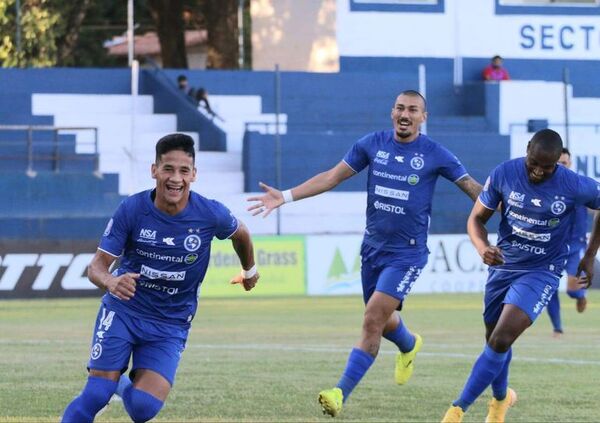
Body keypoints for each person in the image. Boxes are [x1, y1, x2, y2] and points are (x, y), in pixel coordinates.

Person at [247, 90, 483, 417]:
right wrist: (284, 197)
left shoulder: (435, 153)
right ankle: (409, 344)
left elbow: (471, 186)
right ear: (392, 112)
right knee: (383, 322)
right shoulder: (372, 144)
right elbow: (331, 177)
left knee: (372, 318)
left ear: (423, 117)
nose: (405, 114)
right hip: (372, 249)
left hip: (407, 254)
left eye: (413, 110)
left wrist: (504, 209)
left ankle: (339, 392)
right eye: (400, 108)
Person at [61, 133, 259, 423]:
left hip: (171, 322)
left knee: (143, 408)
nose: (175, 178)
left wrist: (249, 271)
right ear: (154, 170)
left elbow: (240, 233)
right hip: (124, 311)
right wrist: (111, 282)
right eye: (168, 169)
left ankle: (120, 382)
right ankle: (108, 382)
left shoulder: (209, 213)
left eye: (183, 170)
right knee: (96, 393)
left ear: (194, 174)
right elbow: (97, 266)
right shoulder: (132, 209)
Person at [441, 129, 600, 423]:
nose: (539, 171)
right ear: (527, 150)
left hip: (542, 270)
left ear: (557, 164)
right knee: (494, 340)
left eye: (547, 167)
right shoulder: (504, 173)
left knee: (501, 339)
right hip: (503, 267)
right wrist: (482, 247)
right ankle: (501, 401)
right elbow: (476, 219)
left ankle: (457, 410)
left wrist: (590, 256)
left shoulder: (572, 183)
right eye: (534, 164)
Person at [546, 148, 589, 338]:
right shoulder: (546, 187)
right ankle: (557, 328)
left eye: (565, 162)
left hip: (576, 246)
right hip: (552, 246)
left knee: (572, 290)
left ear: (570, 163)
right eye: (559, 163)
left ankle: (580, 296)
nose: (562, 166)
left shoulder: (580, 185)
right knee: (548, 288)